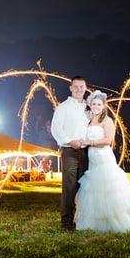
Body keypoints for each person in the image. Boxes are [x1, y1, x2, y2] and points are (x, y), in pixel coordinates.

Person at [75, 90, 130, 233]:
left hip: (104, 158)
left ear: (104, 106)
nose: (96, 106)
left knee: (107, 188)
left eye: (99, 104)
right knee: (94, 188)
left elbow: (108, 140)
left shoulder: (107, 120)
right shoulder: (89, 120)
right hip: (92, 158)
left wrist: (88, 142)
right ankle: (96, 223)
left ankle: (117, 222)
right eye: (93, 104)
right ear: (90, 105)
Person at [51, 76, 89, 231]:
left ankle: (82, 220)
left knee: (85, 187)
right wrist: (69, 140)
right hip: (70, 152)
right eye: (76, 86)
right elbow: (56, 129)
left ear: (86, 88)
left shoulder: (89, 107)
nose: (79, 89)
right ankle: (66, 222)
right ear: (71, 88)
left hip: (87, 151)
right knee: (69, 188)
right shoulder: (63, 107)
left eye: (82, 87)